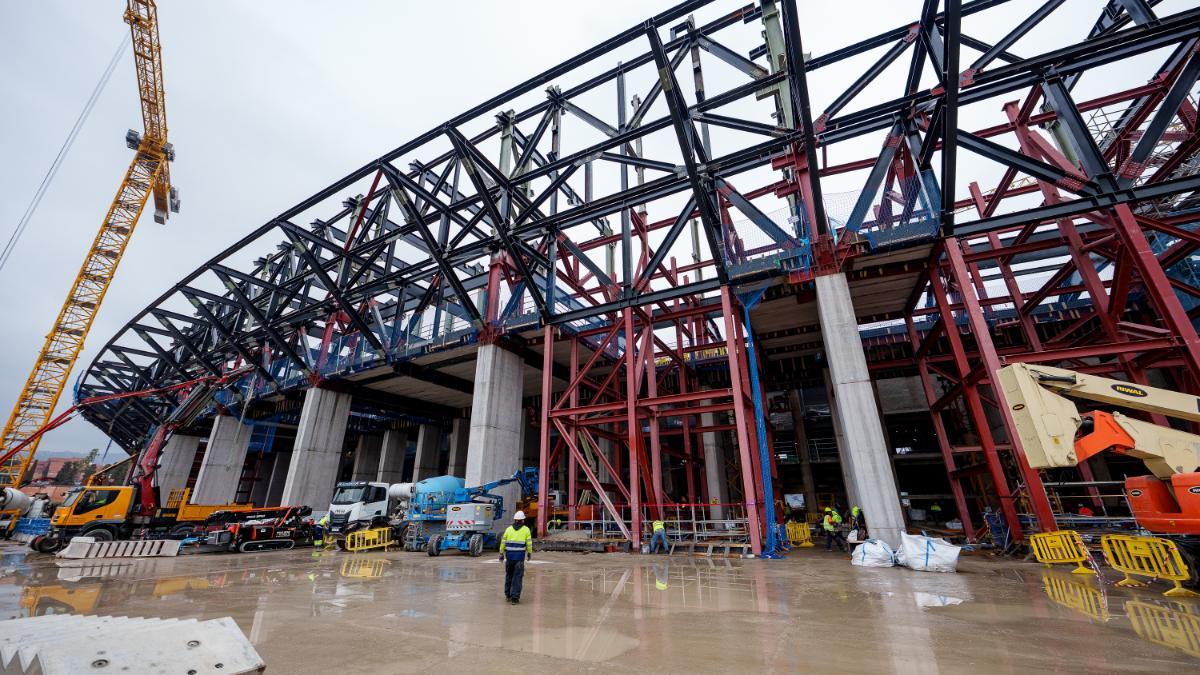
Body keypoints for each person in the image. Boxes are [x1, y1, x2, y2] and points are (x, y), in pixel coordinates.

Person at [500, 510, 533, 604]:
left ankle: (508, 595)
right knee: (517, 578)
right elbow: (529, 544)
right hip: (519, 558)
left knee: (509, 575)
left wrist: (501, 553)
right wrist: (529, 553)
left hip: (509, 557)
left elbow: (503, 542)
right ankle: (515, 598)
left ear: (515, 519)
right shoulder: (526, 529)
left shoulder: (508, 529)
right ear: (522, 520)